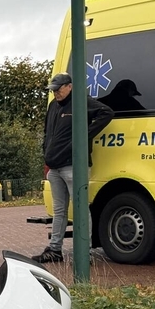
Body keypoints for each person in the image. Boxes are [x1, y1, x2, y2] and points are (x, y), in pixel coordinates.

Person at [35, 73, 114, 263]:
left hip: (73, 165)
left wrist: (83, 136)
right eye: (53, 90)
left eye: (58, 89)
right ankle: (55, 250)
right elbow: (48, 132)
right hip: (54, 167)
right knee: (59, 210)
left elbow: (107, 113)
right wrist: (46, 152)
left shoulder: (81, 102)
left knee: (80, 208)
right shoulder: (53, 106)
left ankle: (83, 253)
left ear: (69, 86)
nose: (55, 93)